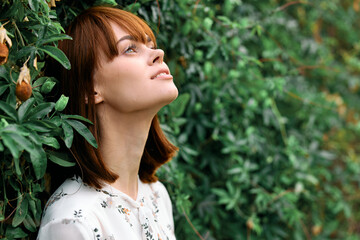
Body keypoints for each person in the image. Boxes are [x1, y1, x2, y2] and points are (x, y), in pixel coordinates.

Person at [37, 6, 178, 240]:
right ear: (90, 89)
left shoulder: (156, 196)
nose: (158, 53)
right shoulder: (72, 222)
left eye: (151, 45)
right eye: (130, 49)